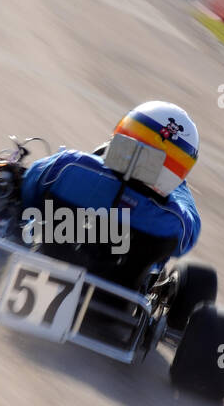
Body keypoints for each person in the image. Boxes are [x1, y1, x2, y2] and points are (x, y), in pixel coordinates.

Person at [20, 102, 201, 281]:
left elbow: (28, 187)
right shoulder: (173, 221)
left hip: (32, 273)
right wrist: (179, 185)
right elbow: (185, 242)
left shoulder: (69, 166)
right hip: (110, 307)